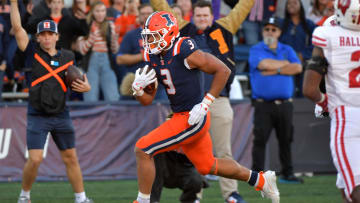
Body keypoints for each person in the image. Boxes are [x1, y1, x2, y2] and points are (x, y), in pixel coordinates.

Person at [131, 11, 279, 203]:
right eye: (148, 36)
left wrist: (206, 103)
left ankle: (142, 201)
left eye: (154, 36)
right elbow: (147, 100)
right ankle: (261, 179)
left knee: (143, 149)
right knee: (207, 166)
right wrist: (138, 90)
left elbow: (223, 70)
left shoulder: (183, 48)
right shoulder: (153, 55)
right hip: (182, 116)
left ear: (169, 33)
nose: (150, 41)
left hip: (191, 116)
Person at [149, 0, 254, 202]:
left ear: (212, 16)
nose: (202, 19)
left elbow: (244, 6)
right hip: (188, 104)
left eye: (206, 15)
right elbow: (161, 6)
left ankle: (231, 193)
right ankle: (194, 195)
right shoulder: (182, 29)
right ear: (192, 16)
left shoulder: (225, 26)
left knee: (224, 150)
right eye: (198, 16)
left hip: (219, 99)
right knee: (191, 153)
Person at [10, 1, 93, 203]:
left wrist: (87, 87)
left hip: (61, 113)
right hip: (37, 114)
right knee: (36, 158)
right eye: (43, 35)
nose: (46, 37)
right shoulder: (32, 52)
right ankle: (24, 195)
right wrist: (13, 3)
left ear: (57, 36)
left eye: (50, 34)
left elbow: (80, 79)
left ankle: (81, 198)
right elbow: (18, 28)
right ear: (38, 37)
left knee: (70, 157)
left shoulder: (68, 56)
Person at [303, 0, 360, 202]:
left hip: (346, 113)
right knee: (347, 185)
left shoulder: (327, 32)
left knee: (353, 188)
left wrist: (325, 103)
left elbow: (309, 88)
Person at [248, 17, 303, 184]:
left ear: (279, 32)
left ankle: (288, 173)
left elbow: (298, 67)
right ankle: (257, 176)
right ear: (262, 31)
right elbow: (263, 64)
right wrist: (284, 66)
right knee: (260, 140)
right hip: (263, 104)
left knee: (286, 139)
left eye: (274, 29)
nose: (270, 32)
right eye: (267, 29)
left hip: (285, 104)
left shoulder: (287, 49)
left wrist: (275, 69)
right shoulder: (256, 49)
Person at [116, 3, 166, 100]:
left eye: (149, 13)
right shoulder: (131, 35)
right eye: (143, 14)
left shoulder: (162, 34)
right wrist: (143, 55)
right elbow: (120, 59)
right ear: (138, 16)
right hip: (135, 80)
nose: (146, 16)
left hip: (158, 82)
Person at [76, 1, 120, 102]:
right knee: (90, 97)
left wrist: (114, 37)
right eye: (97, 11)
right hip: (91, 63)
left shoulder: (110, 25)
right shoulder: (85, 25)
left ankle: (112, 117)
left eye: (103, 11)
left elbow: (114, 50)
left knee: (112, 96)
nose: (100, 14)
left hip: (107, 62)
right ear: (92, 12)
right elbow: (83, 51)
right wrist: (92, 36)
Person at [280, 0, 317, 97]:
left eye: (294, 3)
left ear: (301, 6)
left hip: (305, 64)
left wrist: (303, 54)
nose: (291, 5)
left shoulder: (309, 24)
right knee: (289, 93)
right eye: (288, 3)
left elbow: (315, 43)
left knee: (303, 94)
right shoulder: (281, 24)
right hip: (286, 64)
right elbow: (277, 43)